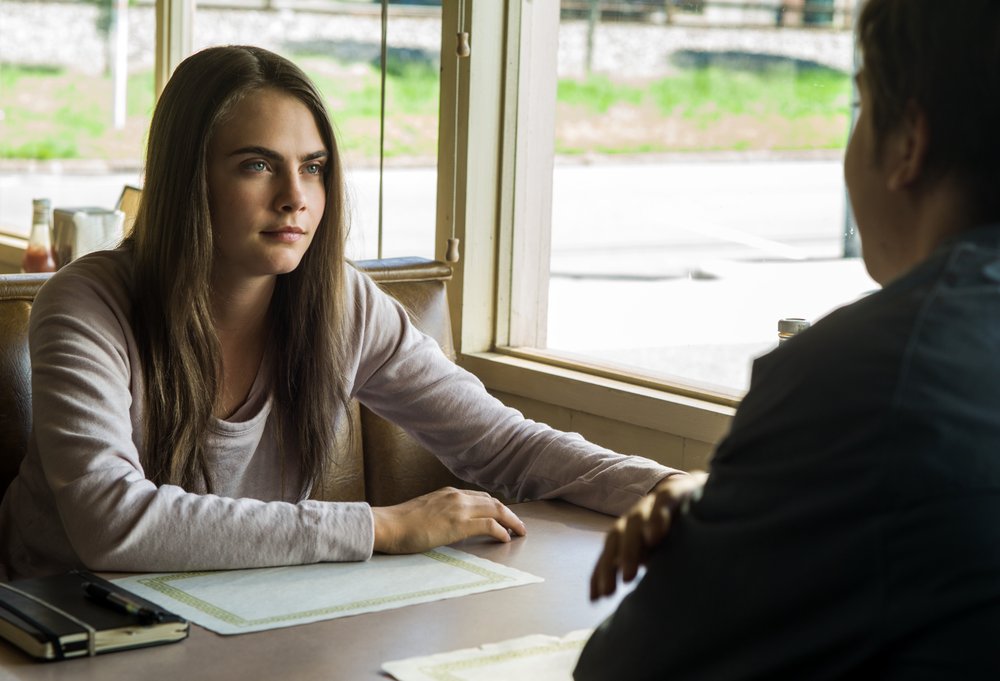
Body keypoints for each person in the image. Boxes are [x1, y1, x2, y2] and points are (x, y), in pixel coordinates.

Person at [0, 45, 678, 581]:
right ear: (190, 180)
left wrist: (668, 485)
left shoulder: (341, 303)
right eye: (258, 165)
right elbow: (111, 522)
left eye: (315, 166)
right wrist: (380, 526)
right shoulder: (87, 304)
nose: (296, 196)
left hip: (244, 610)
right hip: (65, 628)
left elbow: (503, 445)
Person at [576, 0, 1000, 678]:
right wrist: (741, 501)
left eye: (859, 107)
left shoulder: (866, 377)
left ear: (907, 143)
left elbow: (626, 671)